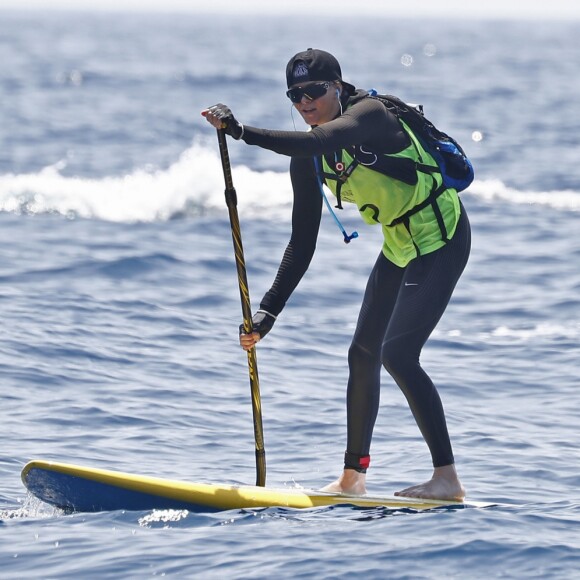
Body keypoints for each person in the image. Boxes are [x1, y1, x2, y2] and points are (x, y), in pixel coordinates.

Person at [202, 48, 471, 501]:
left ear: (338, 87)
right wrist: (267, 313)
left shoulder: (371, 114)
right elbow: (301, 242)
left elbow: (320, 141)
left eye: (313, 91)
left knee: (398, 353)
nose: (304, 102)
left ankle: (447, 479)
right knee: (362, 353)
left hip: (442, 235)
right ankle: (353, 478)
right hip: (400, 243)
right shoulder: (307, 157)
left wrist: (241, 132)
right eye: (295, 94)